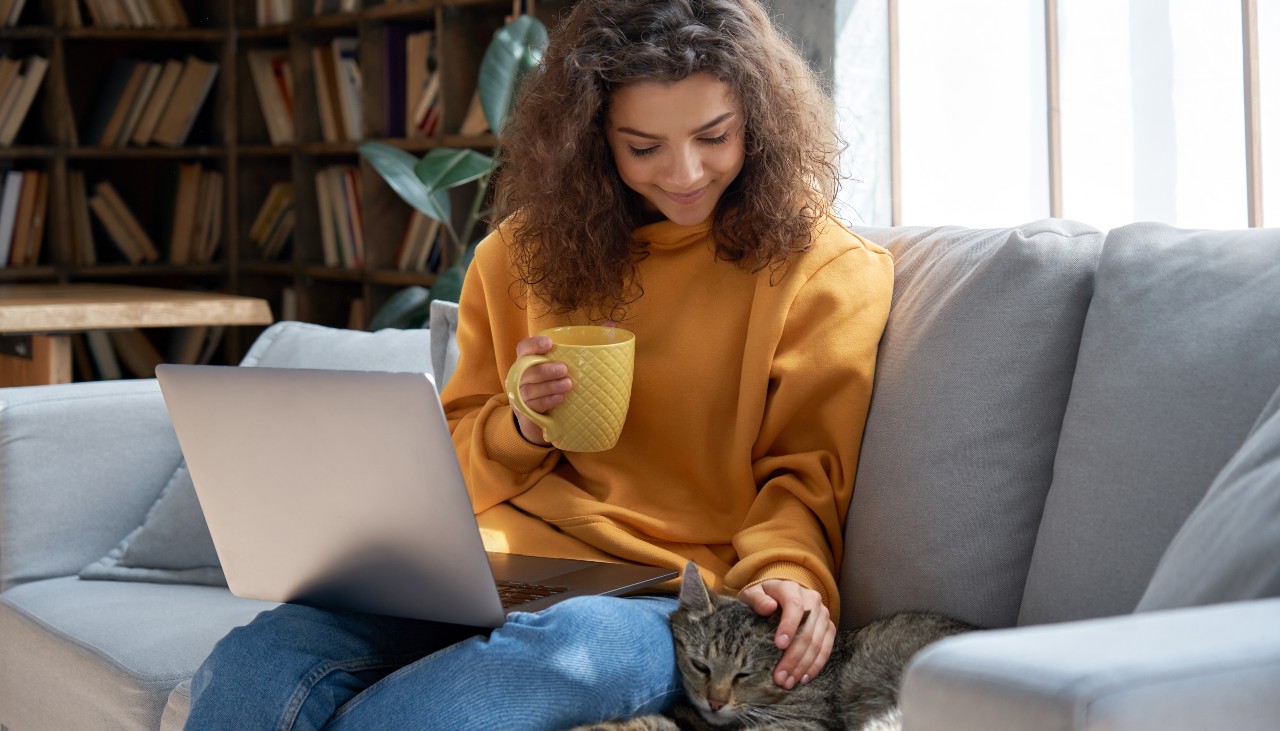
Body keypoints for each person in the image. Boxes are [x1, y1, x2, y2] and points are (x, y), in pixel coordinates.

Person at [182, 0, 893, 728]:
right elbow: (448, 464)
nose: (684, 172)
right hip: (492, 567)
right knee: (258, 660)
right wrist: (519, 428)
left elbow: (806, 474)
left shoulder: (826, 271)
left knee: (553, 656)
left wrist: (789, 576)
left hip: (667, 593)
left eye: (714, 136)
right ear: (591, 140)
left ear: (760, 121)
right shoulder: (521, 254)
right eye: (642, 146)